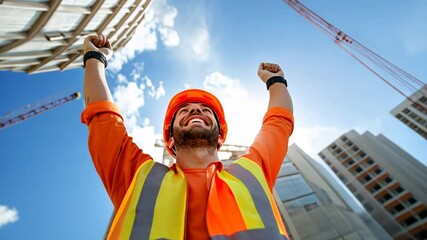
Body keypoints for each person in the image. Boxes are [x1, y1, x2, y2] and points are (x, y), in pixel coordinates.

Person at [81, 34, 294, 240]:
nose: (195, 111)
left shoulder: (252, 172)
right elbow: (103, 120)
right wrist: (95, 59)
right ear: (171, 139)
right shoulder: (136, 175)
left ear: (220, 137)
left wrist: (276, 81)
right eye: (184, 110)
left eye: (205, 109)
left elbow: (278, 124)